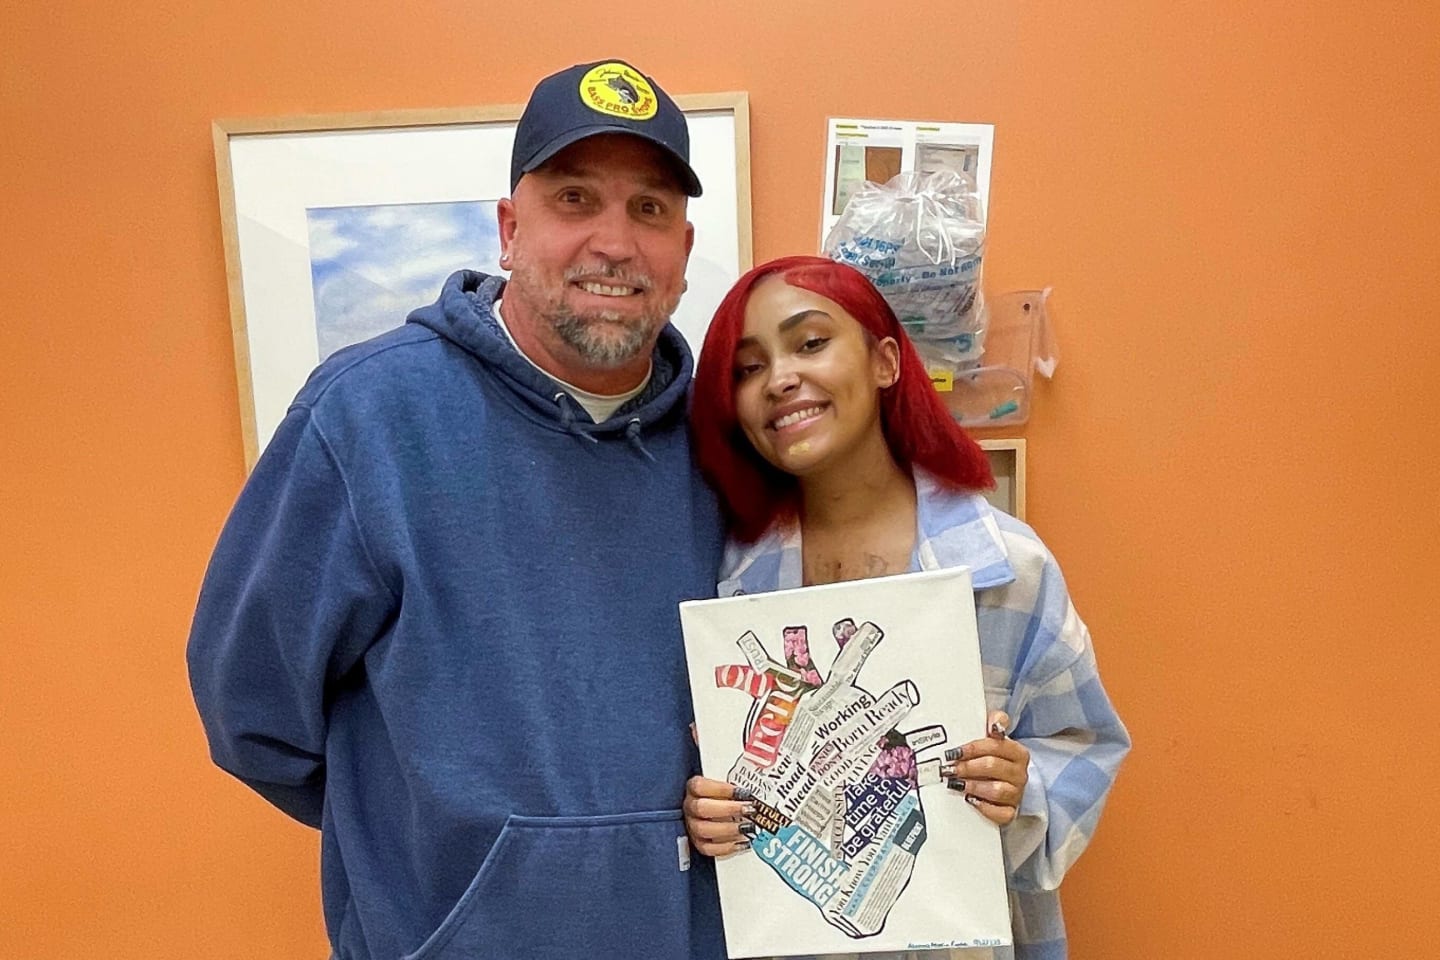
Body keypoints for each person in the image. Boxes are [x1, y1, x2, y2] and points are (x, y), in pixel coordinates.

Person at [187, 60, 728, 960]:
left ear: (682, 245)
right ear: (510, 230)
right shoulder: (366, 419)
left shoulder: (729, 443)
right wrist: (449, 852)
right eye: (574, 198)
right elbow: (252, 713)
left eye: (650, 210)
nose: (614, 242)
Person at [682, 256, 1130, 960]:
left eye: (810, 342)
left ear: (885, 361)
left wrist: (1021, 789)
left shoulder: (1005, 568)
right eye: (747, 367)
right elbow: (745, 791)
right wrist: (716, 818)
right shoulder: (730, 587)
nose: (780, 379)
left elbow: (1087, 746)